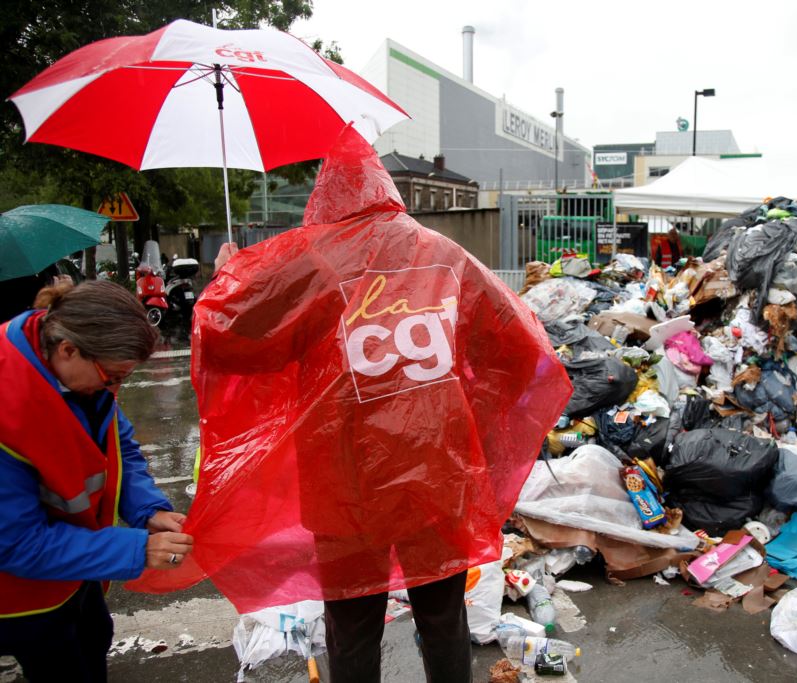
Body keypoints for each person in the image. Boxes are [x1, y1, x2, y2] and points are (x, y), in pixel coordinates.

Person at [139, 125, 571, 682]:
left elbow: (233, 344)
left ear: (325, 198)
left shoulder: (311, 262)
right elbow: (521, 351)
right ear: (385, 187)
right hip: (436, 473)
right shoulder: (445, 256)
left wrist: (230, 276)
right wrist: (476, 428)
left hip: (345, 479)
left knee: (352, 620)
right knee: (443, 614)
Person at [0, 279, 193, 681]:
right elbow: (17, 543)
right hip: (23, 597)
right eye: (112, 379)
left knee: (94, 638)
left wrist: (147, 509)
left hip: (78, 568)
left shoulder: (70, 358)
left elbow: (116, 441)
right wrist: (138, 549)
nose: (116, 389)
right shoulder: (8, 405)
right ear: (68, 351)